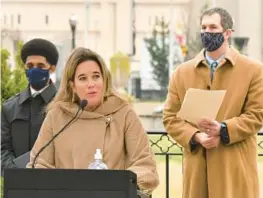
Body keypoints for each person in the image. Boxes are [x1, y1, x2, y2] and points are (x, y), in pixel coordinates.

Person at [27, 47, 159, 194]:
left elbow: (145, 165)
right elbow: (39, 164)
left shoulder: (124, 113)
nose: (91, 84)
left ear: (104, 79)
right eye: (83, 78)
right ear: (72, 86)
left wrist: (118, 184)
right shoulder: (56, 116)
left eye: (96, 76)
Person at [163, 7, 263, 198]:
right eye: (204, 27)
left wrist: (223, 129)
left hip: (234, 170)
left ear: (227, 33)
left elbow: (257, 114)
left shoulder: (253, 70)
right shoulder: (182, 73)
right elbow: (170, 117)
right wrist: (196, 136)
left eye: (213, 27)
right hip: (197, 171)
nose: (207, 32)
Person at [1, 38, 58, 171]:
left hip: (53, 183)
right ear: (24, 68)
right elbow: (3, 149)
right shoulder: (9, 108)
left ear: (52, 68)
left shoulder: (64, 106)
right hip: (18, 185)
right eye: (30, 66)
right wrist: (18, 173)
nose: (34, 70)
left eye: (40, 66)